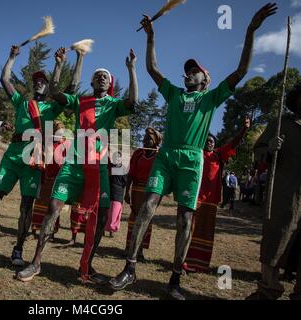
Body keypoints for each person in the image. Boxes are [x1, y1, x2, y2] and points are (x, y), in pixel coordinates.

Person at [109, 3, 277, 300]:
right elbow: (152, 68)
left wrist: (250, 31)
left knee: (186, 219)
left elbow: (241, 70)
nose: (188, 73)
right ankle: (130, 268)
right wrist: (151, 36)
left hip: (191, 159)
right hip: (167, 155)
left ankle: (174, 279)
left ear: (205, 79)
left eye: (194, 71)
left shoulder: (211, 98)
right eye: (187, 71)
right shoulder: (173, 93)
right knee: (146, 207)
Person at [16, 47, 138, 283]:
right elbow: (55, 92)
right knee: (54, 205)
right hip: (74, 161)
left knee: (100, 218)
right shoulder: (81, 101)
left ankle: (87, 267)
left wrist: (131, 69)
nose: (101, 77)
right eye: (97, 75)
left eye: (106, 76)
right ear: (91, 82)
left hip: (99, 164)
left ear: (110, 83)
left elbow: (133, 101)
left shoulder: (114, 104)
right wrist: (60, 64)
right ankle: (35, 263)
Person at [0, 45, 75, 265]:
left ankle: (18, 251)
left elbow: (68, 89)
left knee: (26, 205)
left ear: (48, 86)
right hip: (12, 155)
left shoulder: (53, 108)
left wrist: (59, 64)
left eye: (44, 81)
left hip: (33, 159)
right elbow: (4, 79)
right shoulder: (23, 102)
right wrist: (11, 57)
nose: (39, 83)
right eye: (37, 81)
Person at [247, 83, 301, 300]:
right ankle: (268, 289)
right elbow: (258, 152)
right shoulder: (280, 125)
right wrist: (270, 147)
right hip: (283, 196)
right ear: (296, 99)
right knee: (275, 243)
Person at [184, 117, 250, 273]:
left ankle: (200, 264)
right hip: (195, 199)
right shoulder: (197, 153)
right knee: (190, 231)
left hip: (211, 201)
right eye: (207, 141)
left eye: (212, 141)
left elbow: (233, 143)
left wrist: (244, 129)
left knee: (205, 233)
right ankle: (184, 261)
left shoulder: (219, 155)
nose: (210, 143)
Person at [124, 127, 162, 261]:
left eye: (148, 139)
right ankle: (130, 247)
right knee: (135, 218)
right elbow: (131, 174)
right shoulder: (138, 153)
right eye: (144, 138)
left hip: (151, 192)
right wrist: (127, 191)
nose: (144, 141)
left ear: (156, 141)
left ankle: (139, 250)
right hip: (136, 191)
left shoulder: (159, 155)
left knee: (146, 218)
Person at [30, 120, 69, 240]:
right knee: (40, 203)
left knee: (54, 205)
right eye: (57, 131)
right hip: (46, 177)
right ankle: (35, 229)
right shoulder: (47, 142)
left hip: (59, 179)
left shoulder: (66, 144)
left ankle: (50, 230)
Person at [104, 152, 128, 238]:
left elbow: (126, 182)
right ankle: (105, 229)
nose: (116, 159)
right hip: (109, 192)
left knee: (115, 213)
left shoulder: (123, 169)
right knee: (108, 212)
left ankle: (111, 231)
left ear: (120, 159)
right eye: (115, 158)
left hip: (118, 194)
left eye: (118, 158)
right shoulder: (110, 168)